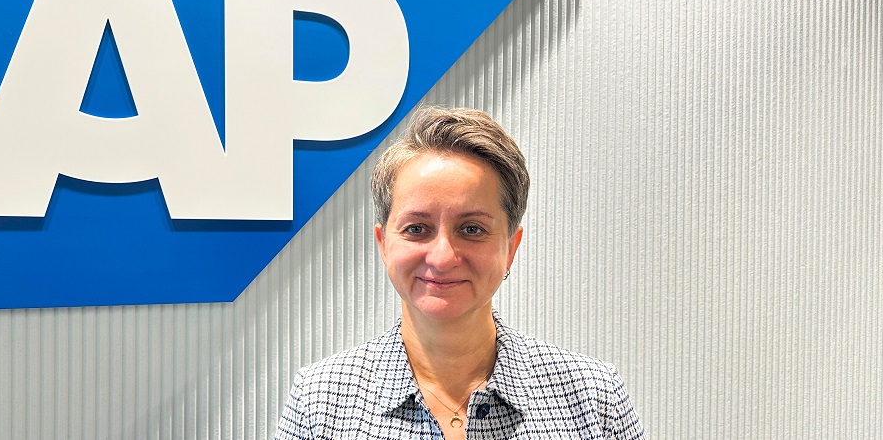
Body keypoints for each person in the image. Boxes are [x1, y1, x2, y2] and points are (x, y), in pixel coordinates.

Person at [274, 107, 644, 439]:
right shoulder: (319, 404)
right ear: (384, 244)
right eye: (417, 228)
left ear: (510, 248)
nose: (442, 258)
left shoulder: (595, 400)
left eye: (471, 229)